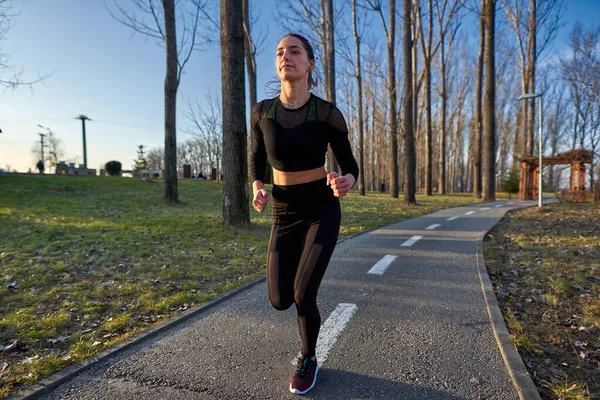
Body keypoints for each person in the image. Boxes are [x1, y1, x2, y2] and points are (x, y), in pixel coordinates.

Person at [249, 33, 359, 395]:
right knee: (279, 299)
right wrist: (257, 187)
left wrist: (346, 181)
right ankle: (307, 345)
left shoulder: (326, 112)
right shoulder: (263, 111)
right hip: (282, 210)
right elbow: (256, 159)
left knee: (302, 293)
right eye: (280, 52)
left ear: (310, 63)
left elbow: (350, 165)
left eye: (295, 51)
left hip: (320, 209)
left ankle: (309, 356)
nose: (286, 56)